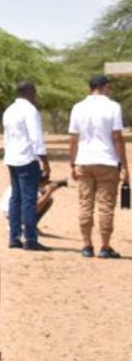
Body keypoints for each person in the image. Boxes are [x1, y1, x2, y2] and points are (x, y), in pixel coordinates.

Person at [68, 74, 128, 258]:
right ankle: (105, 246)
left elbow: (73, 139)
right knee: (105, 206)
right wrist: (124, 165)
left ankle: (86, 245)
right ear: (104, 86)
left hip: (84, 161)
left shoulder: (78, 107)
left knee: (85, 204)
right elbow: (117, 137)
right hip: (107, 161)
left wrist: (72, 162)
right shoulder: (113, 107)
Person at [1, 80, 50, 250]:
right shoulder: (30, 110)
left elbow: (6, 137)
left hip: (12, 158)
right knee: (29, 200)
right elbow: (36, 139)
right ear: (30, 92)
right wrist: (45, 162)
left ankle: (14, 238)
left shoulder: (9, 110)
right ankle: (30, 239)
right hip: (27, 159)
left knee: (16, 198)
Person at [0, 178, 68, 221]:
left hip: (7, 211)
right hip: (11, 214)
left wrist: (57, 185)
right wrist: (49, 192)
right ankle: (27, 227)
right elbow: (35, 208)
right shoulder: (31, 188)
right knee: (46, 200)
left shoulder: (25, 181)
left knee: (47, 199)